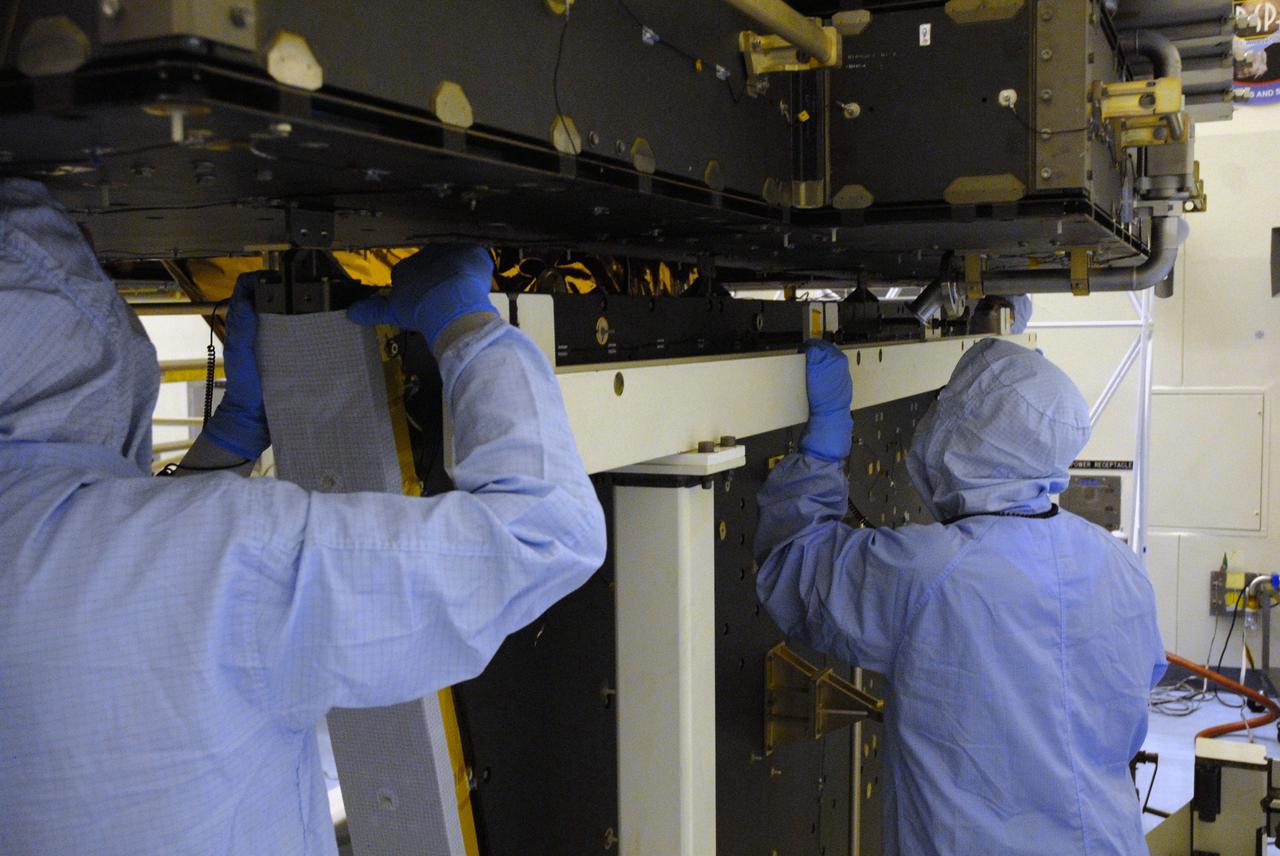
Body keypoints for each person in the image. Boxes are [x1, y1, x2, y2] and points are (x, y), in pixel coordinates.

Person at [0, 179, 607, 854]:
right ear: (75, 328)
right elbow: (546, 532)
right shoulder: (223, 555)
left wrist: (228, 443)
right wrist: (465, 324)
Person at [755, 337, 1165, 856]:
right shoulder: (1123, 568)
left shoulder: (931, 571)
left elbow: (794, 570)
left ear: (969, 431)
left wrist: (822, 451)